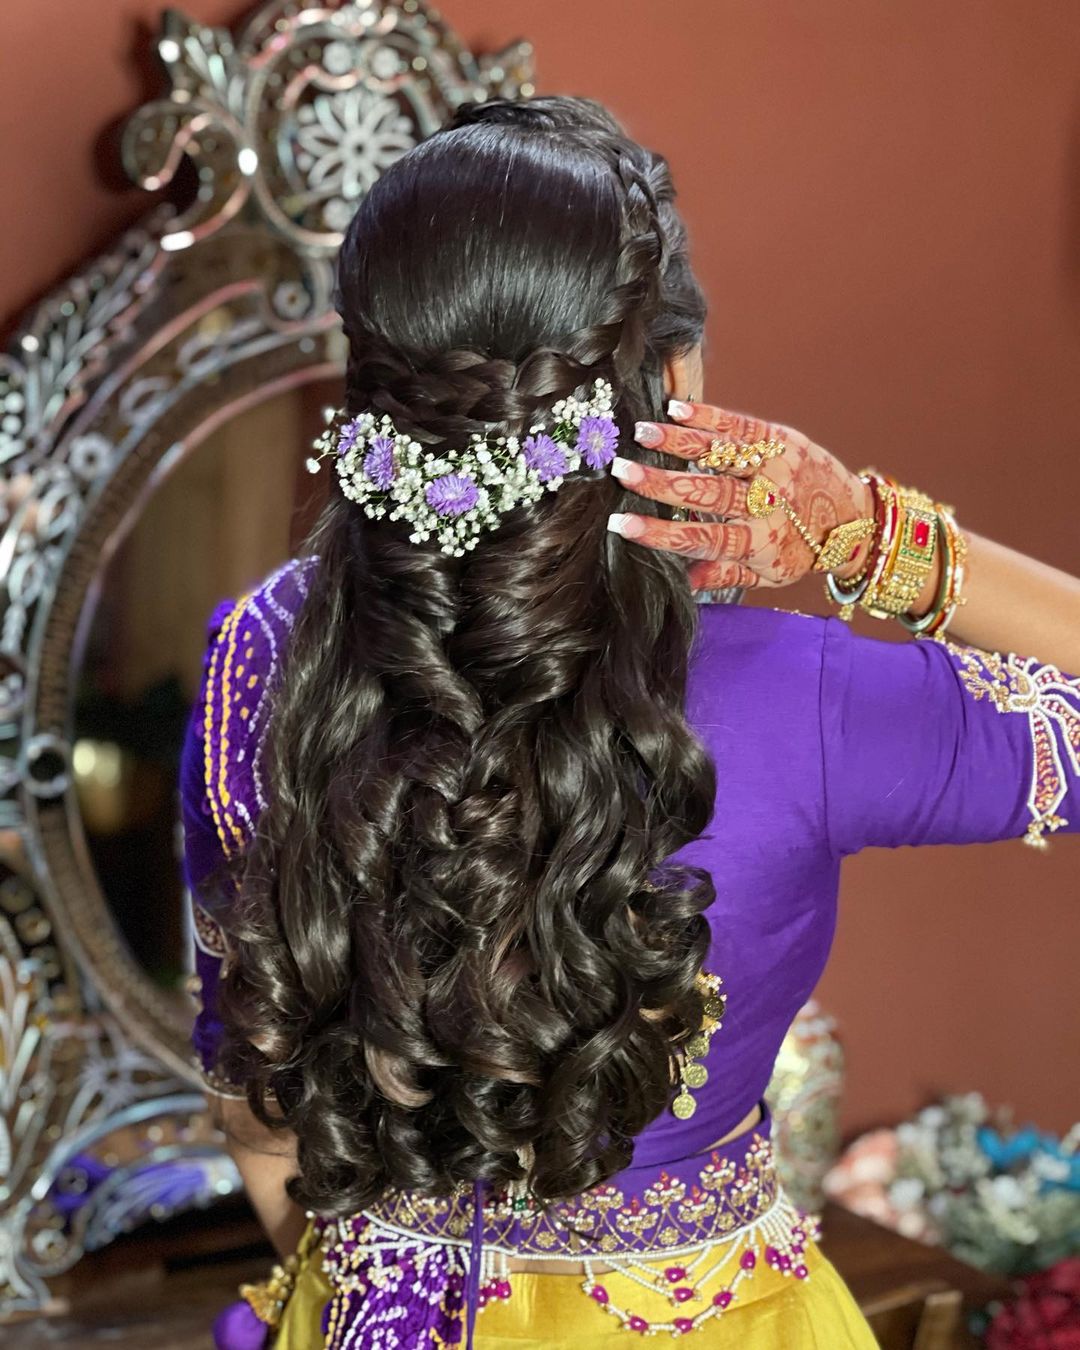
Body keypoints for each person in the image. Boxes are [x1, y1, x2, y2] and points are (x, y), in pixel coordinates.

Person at [180, 96, 1080, 1349]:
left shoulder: (262, 658)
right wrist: (873, 535)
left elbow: (258, 1113)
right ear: (671, 381)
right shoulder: (794, 691)